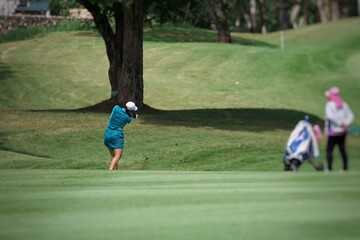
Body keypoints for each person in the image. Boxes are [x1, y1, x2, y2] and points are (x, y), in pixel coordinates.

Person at [324, 87, 354, 171]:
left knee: (329, 150)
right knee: (342, 149)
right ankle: (345, 167)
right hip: (343, 131)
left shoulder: (329, 104)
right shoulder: (344, 104)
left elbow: (330, 116)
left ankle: (329, 168)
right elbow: (351, 115)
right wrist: (345, 124)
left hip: (333, 131)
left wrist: (340, 124)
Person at [104, 101, 138, 170]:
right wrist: (132, 116)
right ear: (131, 110)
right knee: (118, 156)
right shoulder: (128, 119)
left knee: (114, 156)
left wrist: (130, 114)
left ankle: (115, 172)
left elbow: (122, 111)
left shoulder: (116, 108)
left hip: (107, 134)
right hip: (117, 136)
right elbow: (128, 116)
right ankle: (110, 170)